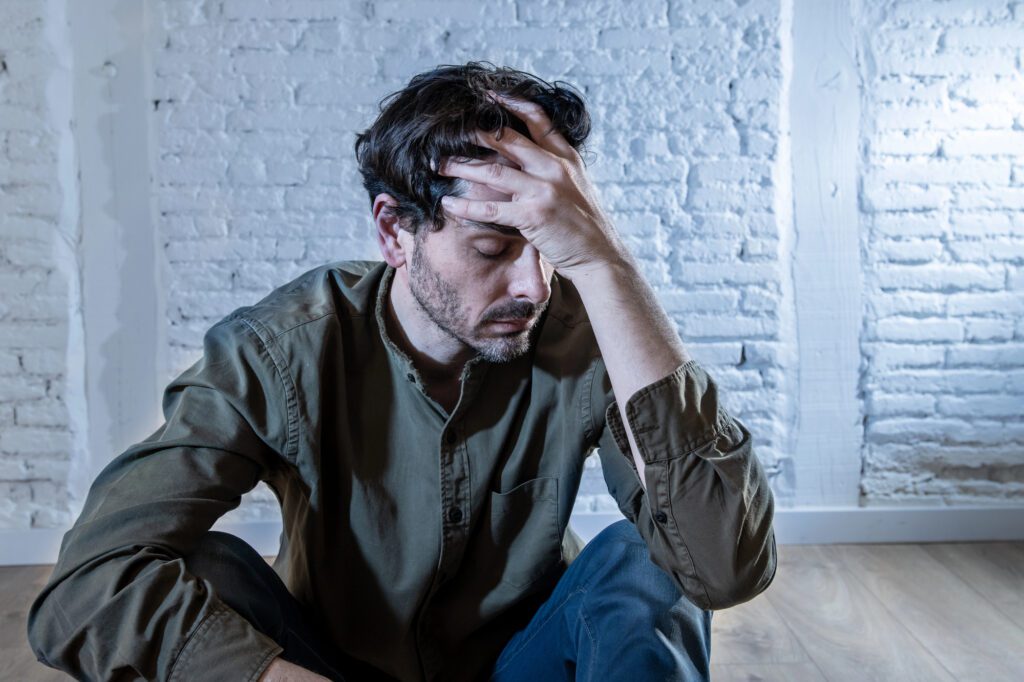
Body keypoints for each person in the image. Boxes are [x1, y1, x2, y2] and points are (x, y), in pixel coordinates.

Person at [27, 62, 777, 681]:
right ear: (395, 230)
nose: (534, 286)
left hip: (521, 667)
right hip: (334, 664)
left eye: (550, 245)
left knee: (644, 563)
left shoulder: (587, 331)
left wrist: (606, 264)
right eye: (492, 247)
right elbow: (86, 586)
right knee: (207, 567)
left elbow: (724, 569)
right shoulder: (279, 350)